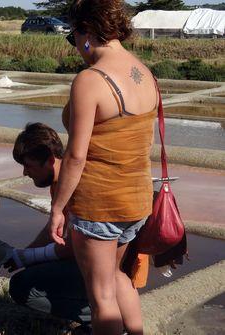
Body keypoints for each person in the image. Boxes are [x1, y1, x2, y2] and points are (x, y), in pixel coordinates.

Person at [48, 1, 158, 334]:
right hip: (136, 202)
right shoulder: (145, 73)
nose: (76, 47)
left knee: (101, 298)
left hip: (100, 205)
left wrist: (57, 208)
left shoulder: (90, 80)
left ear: (87, 32)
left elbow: (75, 156)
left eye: (73, 38)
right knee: (115, 276)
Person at [6, 123, 92, 332]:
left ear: (50, 160)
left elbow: (75, 246)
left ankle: (101, 316)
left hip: (104, 264)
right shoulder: (58, 184)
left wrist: (30, 257)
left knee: (22, 287)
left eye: (28, 165)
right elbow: (54, 230)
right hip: (87, 259)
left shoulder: (79, 184)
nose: (25, 172)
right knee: (30, 272)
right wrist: (25, 253)